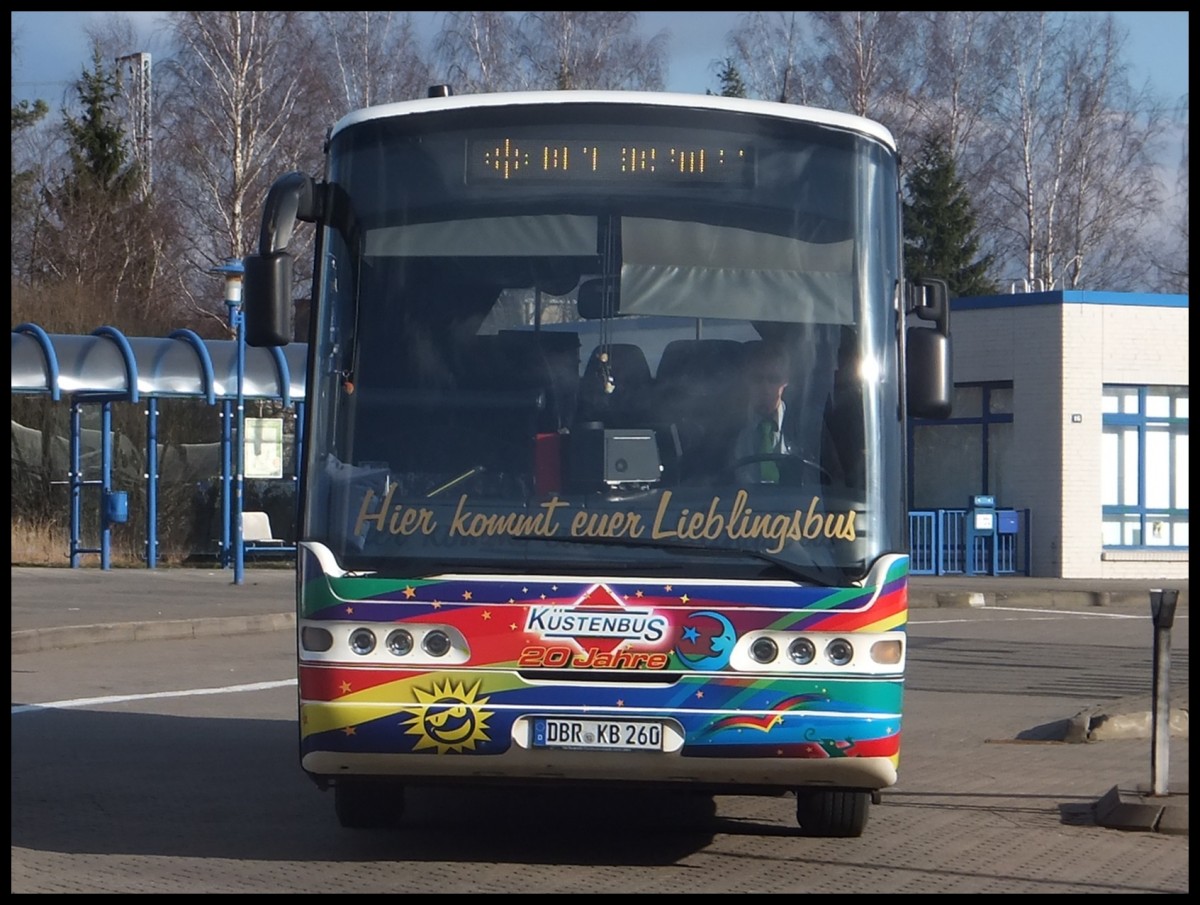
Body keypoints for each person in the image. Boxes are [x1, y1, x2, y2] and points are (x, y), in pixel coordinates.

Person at [732, 343, 795, 483]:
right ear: (745, 378)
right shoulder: (727, 430)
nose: (765, 388)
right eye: (757, 379)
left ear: (786, 380)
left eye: (773, 379)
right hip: (737, 504)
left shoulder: (808, 429)